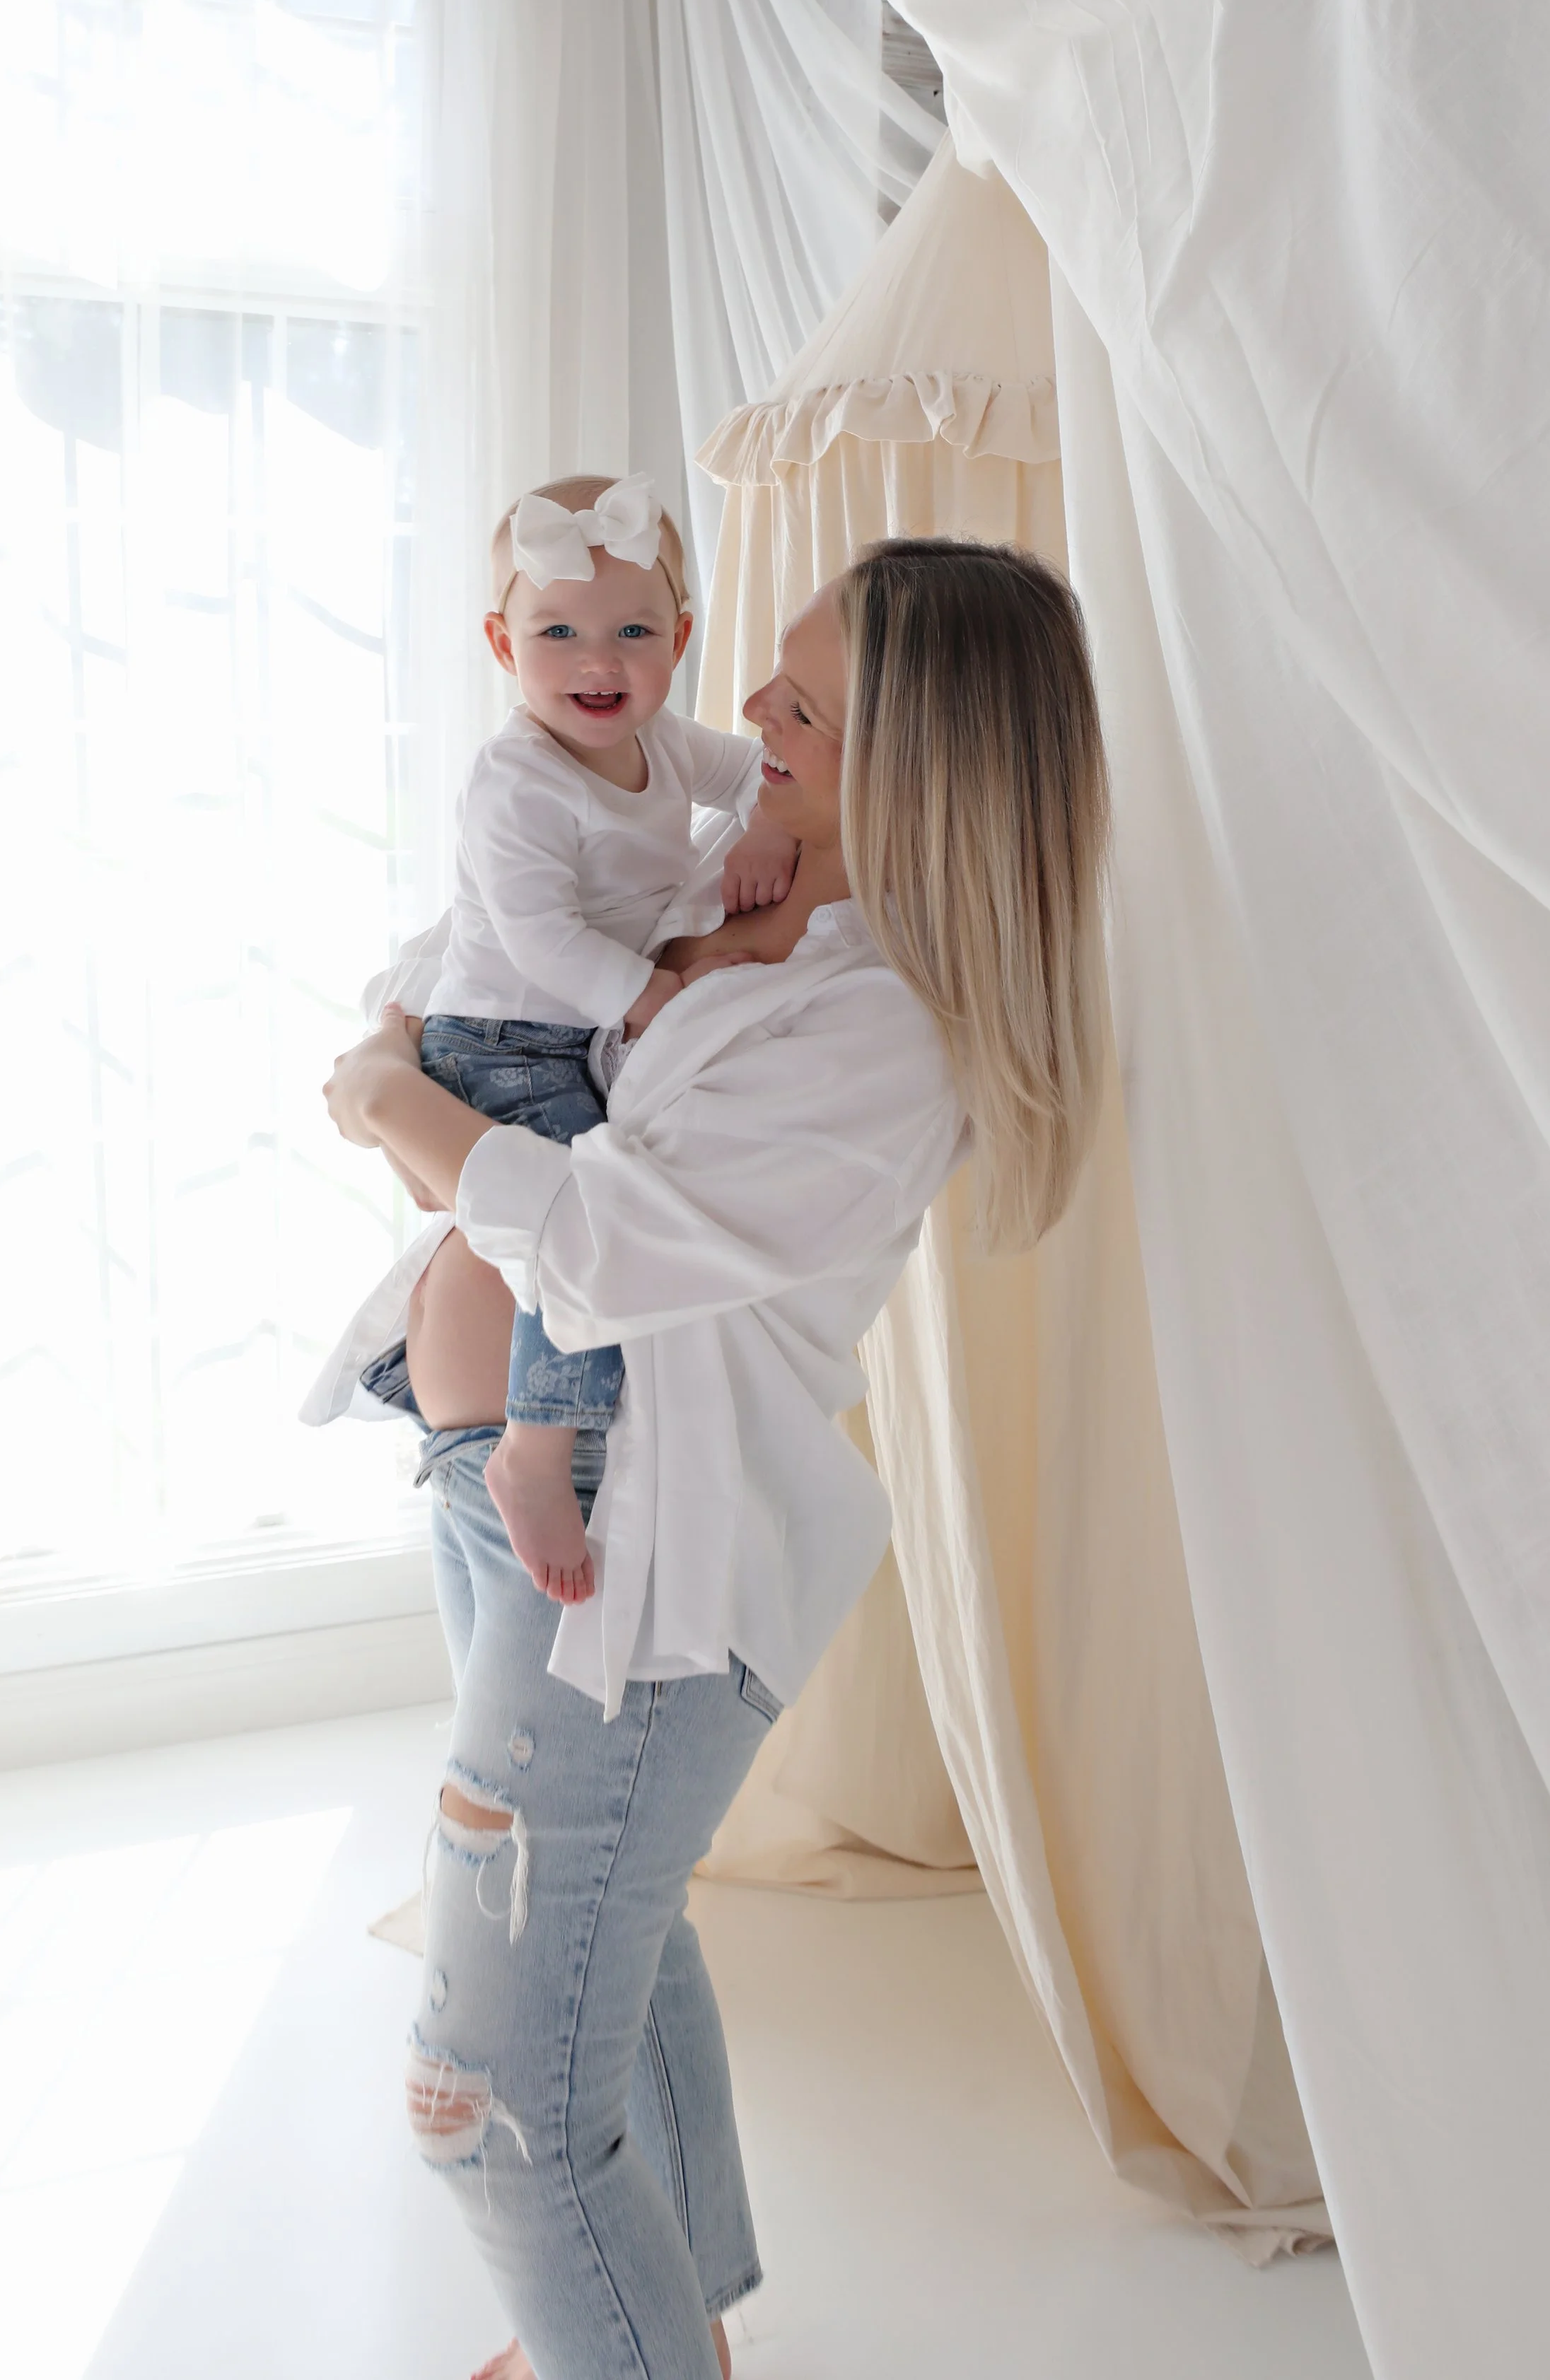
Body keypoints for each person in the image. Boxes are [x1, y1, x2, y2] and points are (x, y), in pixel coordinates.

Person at [315, 537, 1109, 2380]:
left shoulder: (883, 1021)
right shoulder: (739, 880)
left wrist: (396, 1103)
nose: (746, 707)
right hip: (489, 1480)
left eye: (805, 704)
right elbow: (472, 939)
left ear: (914, 762)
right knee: (620, 1936)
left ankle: (627, 2331)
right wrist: (418, 1033)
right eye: (771, 671)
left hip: (633, 1559)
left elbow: (597, 1240)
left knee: (493, 2090)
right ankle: (670, 2322)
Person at [404, 471, 797, 1607]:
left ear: (679, 640)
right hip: (499, 1038)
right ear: (501, 642)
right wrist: (644, 994)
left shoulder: (666, 744)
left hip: (572, 1035)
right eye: (558, 632)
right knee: (588, 1228)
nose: (598, 662)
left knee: (608, 1208)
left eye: (632, 632)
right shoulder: (515, 781)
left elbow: (760, 776)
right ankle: (536, 1448)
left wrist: (763, 829)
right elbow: (538, 935)